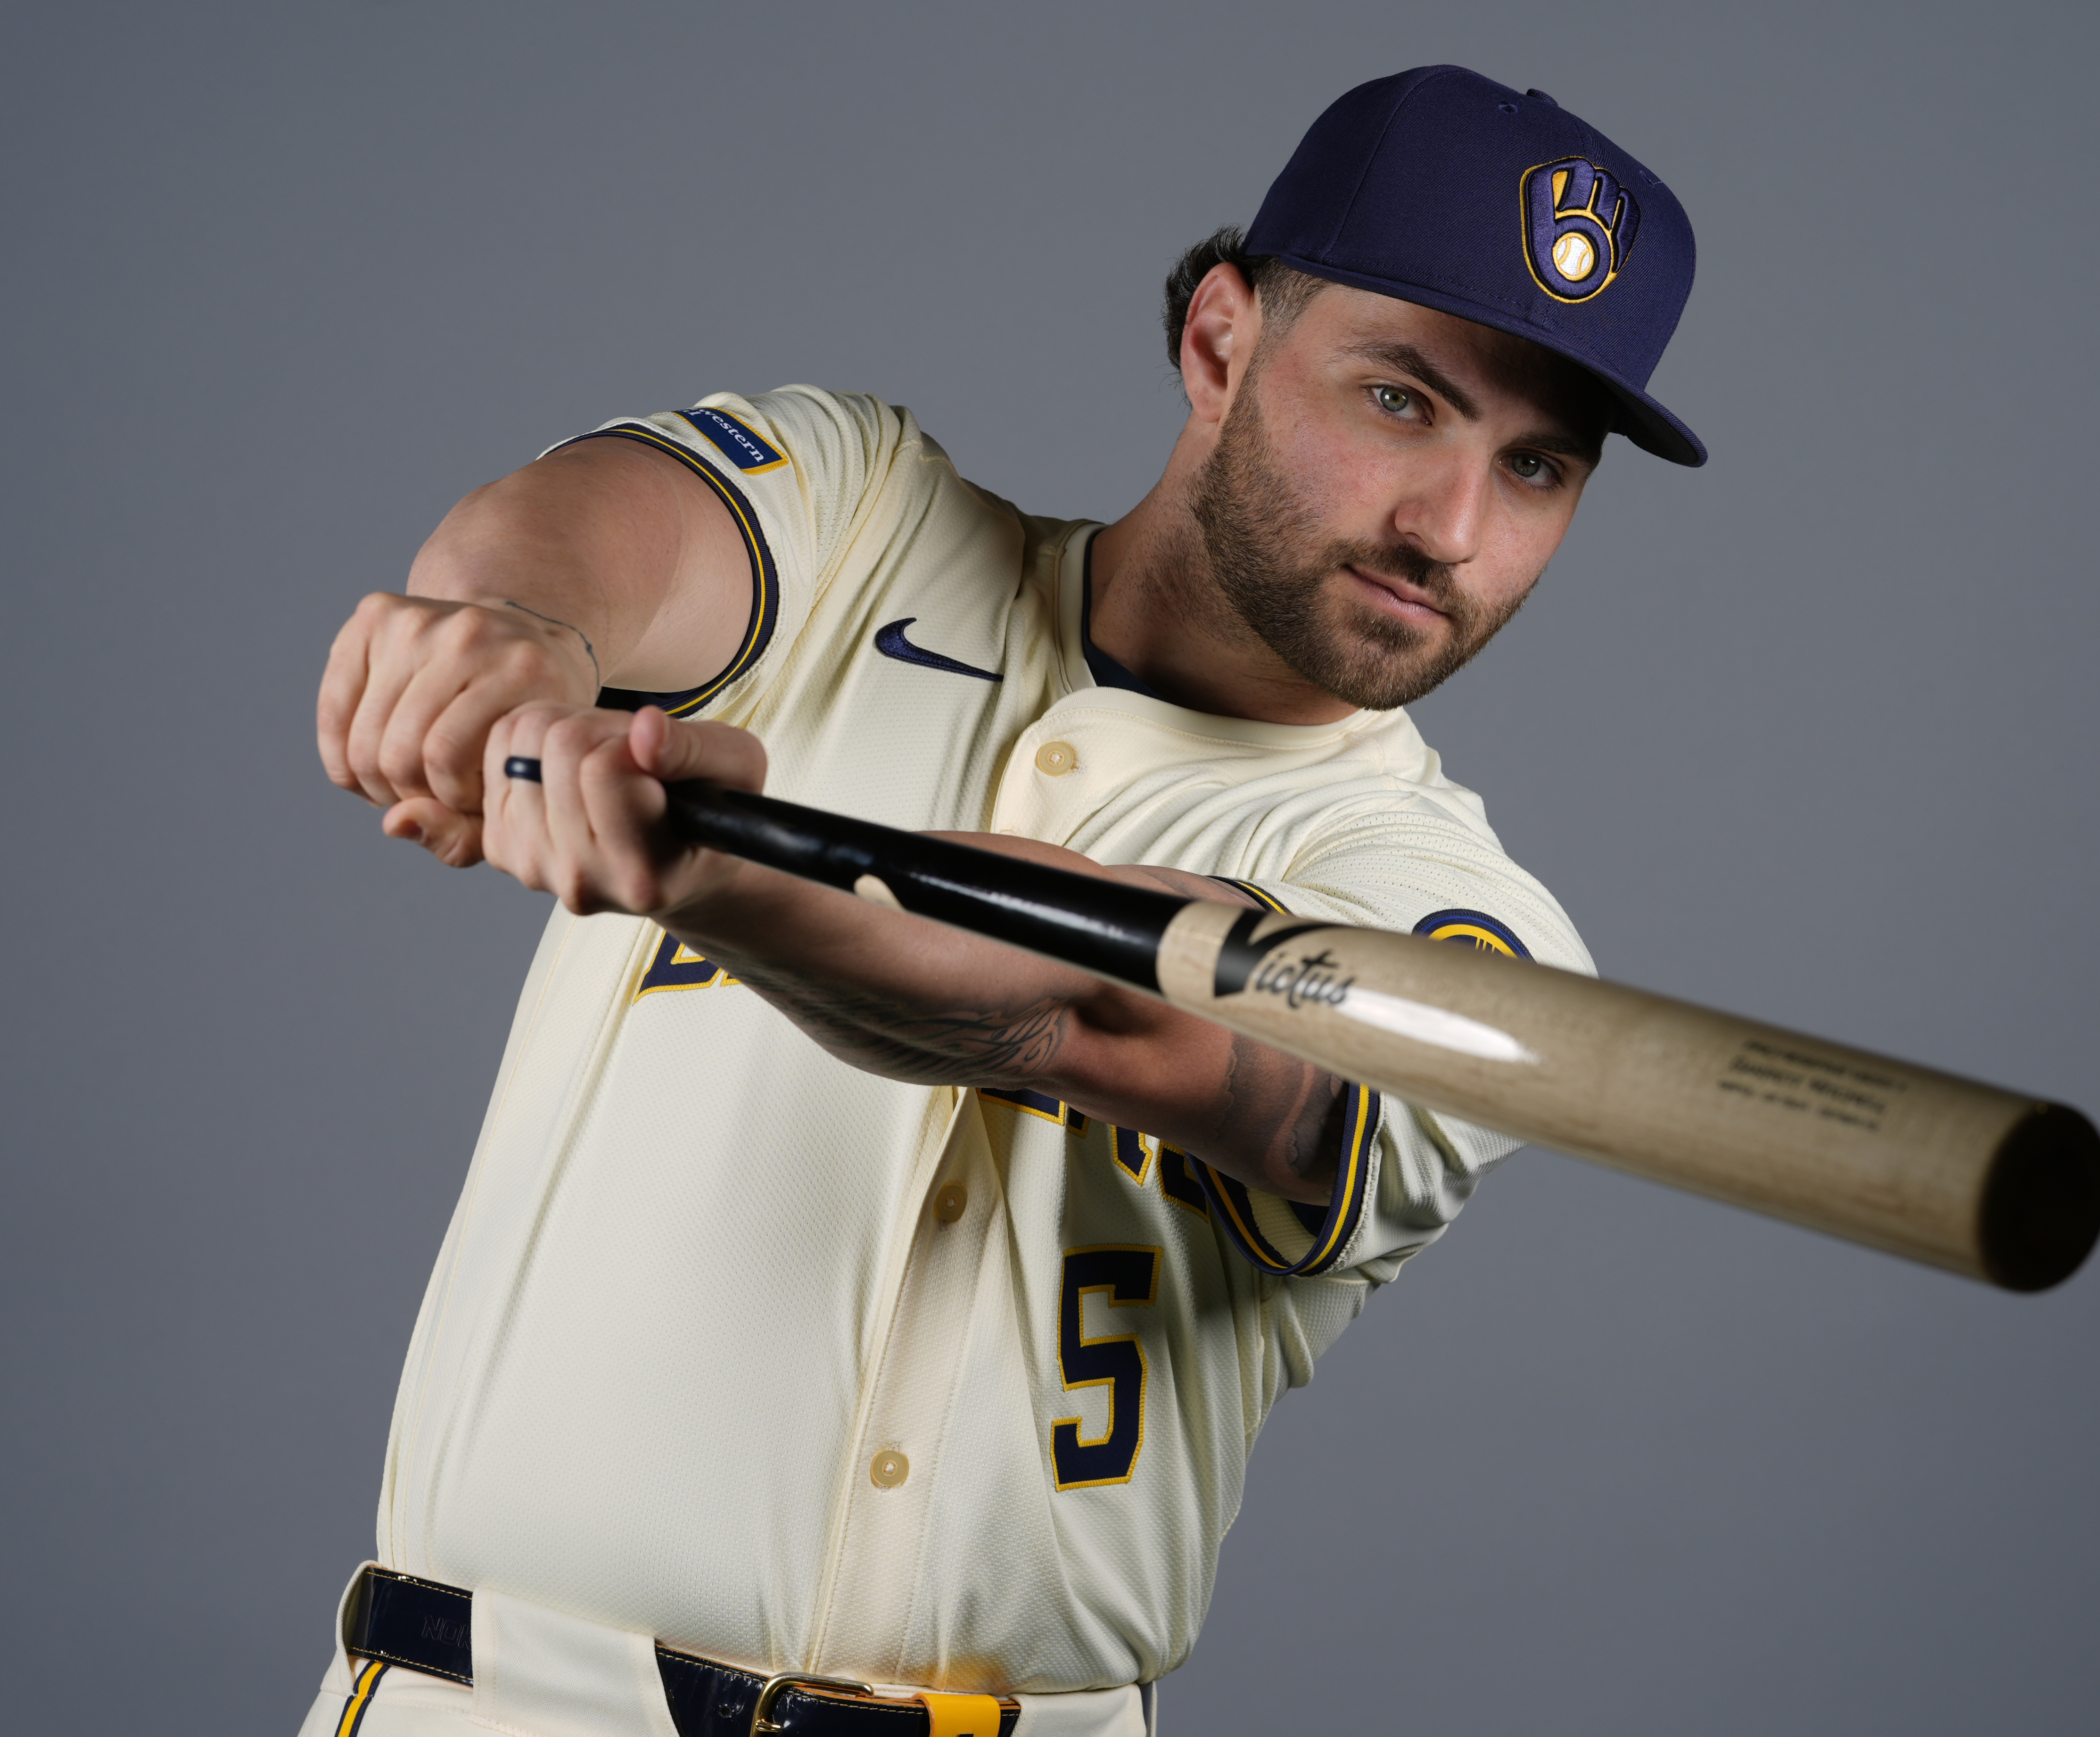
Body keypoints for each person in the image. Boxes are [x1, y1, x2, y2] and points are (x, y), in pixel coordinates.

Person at [300, 65, 1706, 1737]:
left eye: (1538, 466)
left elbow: (1071, 1003)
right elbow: (587, 530)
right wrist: (515, 635)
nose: (1452, 530)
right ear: (1219, 343)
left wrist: (712, 875)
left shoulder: (1470, 921)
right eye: (1401, 400)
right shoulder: (866, 527)